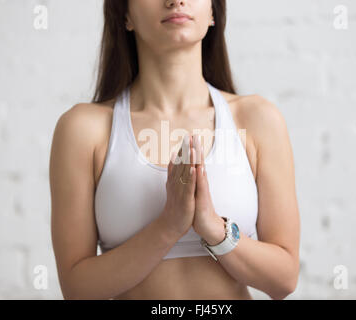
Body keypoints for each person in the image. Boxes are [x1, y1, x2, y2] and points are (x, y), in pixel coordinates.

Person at [49, 0, 300, 300]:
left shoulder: (258, 119)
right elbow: (77, 290)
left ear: (212, 13)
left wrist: (215, 230)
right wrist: (169, 226)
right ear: (125, 15)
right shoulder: (82, 130)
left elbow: (284, 279)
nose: (175, 0)